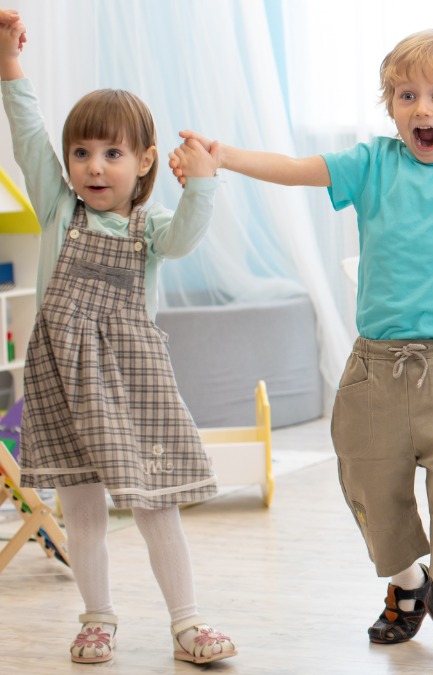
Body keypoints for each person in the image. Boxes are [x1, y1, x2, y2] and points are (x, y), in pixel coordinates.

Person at [169, 25, 433, 666]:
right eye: (407, 95)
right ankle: (408, 583)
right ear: (390, 105)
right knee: (367, 480)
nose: (422, 108)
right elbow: (299, 171)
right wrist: (226, 157)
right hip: (376, 368)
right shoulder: (371, 164)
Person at [0, 9, 236, 666]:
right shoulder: (57, 206)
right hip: (64, 382)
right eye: (82, 152)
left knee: (156, 502)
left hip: (134, 385)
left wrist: (204, 184)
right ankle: (97, 617)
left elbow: (188, 237)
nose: (94, 167)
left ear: (145, 162)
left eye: (112, 153)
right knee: (82, 507)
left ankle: (187, 622)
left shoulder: (150, 228)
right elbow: (26, 129)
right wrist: (8, 59)